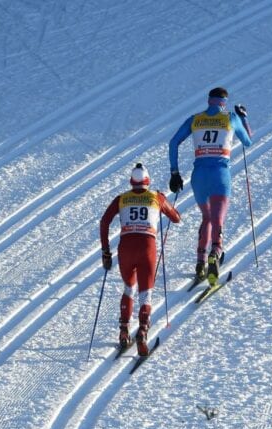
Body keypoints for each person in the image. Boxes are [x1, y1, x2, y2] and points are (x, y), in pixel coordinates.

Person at [168, 87, 253, 286]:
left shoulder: (195, 119)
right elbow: (247, 141)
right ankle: (215, 252)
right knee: (218, 218)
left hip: (199, 177)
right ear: (224, 102)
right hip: (219, 175)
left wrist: (175, 172)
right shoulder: (231, 118)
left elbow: (173, 143)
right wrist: (244, 118)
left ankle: (200, 262)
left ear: (209, 101)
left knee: (206, 217)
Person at [100, 163, 181, 355]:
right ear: (147, 181)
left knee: (129, 288)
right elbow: (176, 217)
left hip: (126, 247)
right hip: (147, 247)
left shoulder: (121, 199)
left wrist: (105, 252)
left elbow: (104, 221)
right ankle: (143, 331)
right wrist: (165, 200)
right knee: (146, 293)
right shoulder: (156, 197)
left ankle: (123, 331)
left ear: (131, 181)